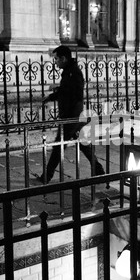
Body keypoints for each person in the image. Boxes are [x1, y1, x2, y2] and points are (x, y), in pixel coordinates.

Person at [35, 45, 105, 183]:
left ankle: (46, 177)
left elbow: (76, 93)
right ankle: (98, 170)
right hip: (74, 116)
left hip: (72, 116)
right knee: (83, 144)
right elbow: (68, 89)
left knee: (58, 146)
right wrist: (54, 95)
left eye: (56, 59)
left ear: (63, 58)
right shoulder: (69, 71)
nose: (55, 62)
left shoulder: (73, 72)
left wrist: (58, 93)